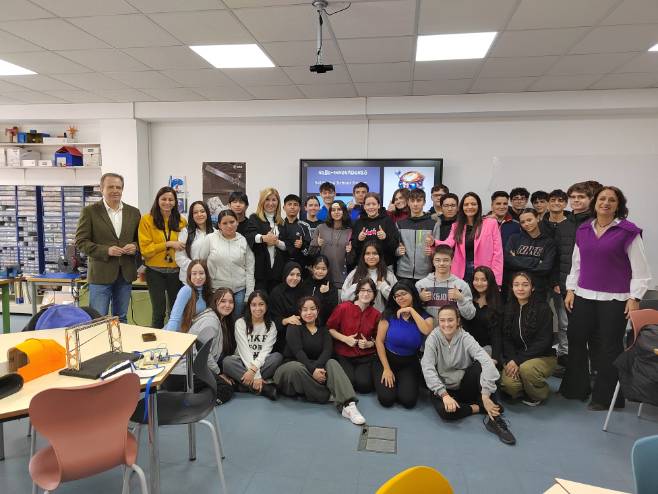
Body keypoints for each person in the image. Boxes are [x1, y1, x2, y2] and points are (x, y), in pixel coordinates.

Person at [561, 186, 651, 410]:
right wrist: (571, 289)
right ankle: (576, 388)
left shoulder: (629, 232)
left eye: (612, 200)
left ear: (618, 205)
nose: (606, 203)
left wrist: (635, 298)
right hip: (583, 295)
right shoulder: (583, 229)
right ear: (595, 202)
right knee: (576, 338)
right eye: (602, 199)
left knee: (609, 347)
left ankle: (605, 397)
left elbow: (641, 270)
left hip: (615, 299)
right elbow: (576, 264)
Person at [421, 305, 516, 445]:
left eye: (450, 320)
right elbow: (427, 368)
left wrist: (485, 394)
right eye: (442, 320)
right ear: (438, 321)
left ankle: (495, 421)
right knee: (445, 412)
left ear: (458, 321)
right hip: (444, 389)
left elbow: (487, 362)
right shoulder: (433, 338)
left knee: (481, 365)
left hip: (464, 385)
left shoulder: (465, 337)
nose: (446, 324)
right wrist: (444, 395)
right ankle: (481, 407)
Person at [274, 296, 366, 425]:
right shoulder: (294, 327)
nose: (309, 312)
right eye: (305, 309)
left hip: (313, 368)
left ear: (318, 311)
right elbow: (298, 352)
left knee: (332, 362)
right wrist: (313, 370)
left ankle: (349, 405)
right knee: (296, 367)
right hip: (291, 370)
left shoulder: (324, 330)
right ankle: (329, 395)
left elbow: (327, 352)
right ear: (300, 312)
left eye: (312, 309)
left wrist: (317, 368)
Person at [75, 172, 141, 323]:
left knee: (121, 318)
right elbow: (81, 241)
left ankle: (120, 340)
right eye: (110, 187)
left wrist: (135, 246)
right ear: (101, 189)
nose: (115, 190)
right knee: (98, 319)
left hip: (125, 274)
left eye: (118, 187)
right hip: (100, 274)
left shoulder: (133, 212)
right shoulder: (90, 212)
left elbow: (141, 240)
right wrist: (106, 250)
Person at [164, 287, 236, 405]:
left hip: (177, 373)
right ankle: (191, 404)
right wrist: (218, 374)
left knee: (217, 384)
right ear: (215, 302)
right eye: (223, 301)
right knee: (226, 389)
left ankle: (187, 395)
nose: (227, 305)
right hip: (182, 374)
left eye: (231, 302)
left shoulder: (212, 316)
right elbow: (204, 354)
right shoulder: (211, 322)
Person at [553, 182, 596, 370]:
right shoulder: (564, 225)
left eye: (581, 197)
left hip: (590, 286)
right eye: (573, 197)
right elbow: (556, 256)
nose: (576, 200)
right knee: (568, 327)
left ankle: (592, 366)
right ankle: (572, 363)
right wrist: (556, 281)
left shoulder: (596, 223)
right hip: (566, 285)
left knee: (591, 329)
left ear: (590, 199)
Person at [373, 281, 434, 408]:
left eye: (403, 293)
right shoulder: (389, 314)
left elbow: (426, 330)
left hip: (409, 362)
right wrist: (386, 369)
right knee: (387, 400)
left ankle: (400, 382)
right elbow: (379, 341)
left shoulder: (425, 316)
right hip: (387, 360)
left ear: (412, 294)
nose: (400, 298)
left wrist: (411, 310)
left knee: (408, 401)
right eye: (397, 296)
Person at [499, 272, 556, 406]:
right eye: (516, 285)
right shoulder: (508, 308)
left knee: (527, 369)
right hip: (516, 357)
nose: (520, 288)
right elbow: (506, 339)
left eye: (525, 285)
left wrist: (518, 360)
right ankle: (525, 387)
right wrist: (512, 359)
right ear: (512, 288)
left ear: (532, 288)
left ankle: (539, 394)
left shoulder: (543, 308)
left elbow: (544, 341)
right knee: (509, 386)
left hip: (543, 356)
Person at [430, 192, 503, 286]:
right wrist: (434, 242)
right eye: (466, 204)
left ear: (479, 206)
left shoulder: (491, 223)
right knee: (461, 295)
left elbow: (498, 254)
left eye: (473, 204)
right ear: (462, 207)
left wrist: (496, 280)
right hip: (462, 270)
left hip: (484, 270)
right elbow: (449, 243)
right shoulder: (456, 226)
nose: (470, 207)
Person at [139, 186, 187, 328]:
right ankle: (157, 340)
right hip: (155, 271)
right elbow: (145, 250)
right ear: (157, 200)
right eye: (164, 199)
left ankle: (175, 339)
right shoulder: (147, 220)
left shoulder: (182, 221)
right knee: (158, 312)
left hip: (176, 272)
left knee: (176, 311)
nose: (167, 202)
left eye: (171, 199)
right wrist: (168, 244)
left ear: (175, 202)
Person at [222, 290, 283, 400]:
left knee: (277, 357)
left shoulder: (271, 326)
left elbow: (265, 352)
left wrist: (253, 371)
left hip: (261, 364)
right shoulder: (240, 323)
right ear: (249, 306)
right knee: (227, 362)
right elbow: (244, 350)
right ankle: (264, 387)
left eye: (261, 304)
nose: (257, 308)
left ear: (266, 306)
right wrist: (256, 375)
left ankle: (242, 386)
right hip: (242, 362)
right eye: (254, 305)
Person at [327, 278, 380, 393]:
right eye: (362, 290)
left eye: (369, 291)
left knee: (364, 386)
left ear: (374, 294)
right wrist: (345, 339)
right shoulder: (343, 307)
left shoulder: (376, 314)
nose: (365, 294)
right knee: (349, 383)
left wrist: (369, 344)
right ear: (357, 292)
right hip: (344, 353)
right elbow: (330, 329)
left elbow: (378, 339)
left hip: (365, 355)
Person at [199, 209, 254, 315]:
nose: (229, 226)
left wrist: (249, 294)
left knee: (235, 322)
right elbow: (201, 263)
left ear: (237, 222)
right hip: (216, 290)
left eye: (232, 222)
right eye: (225, 223)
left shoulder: (243, 240)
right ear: (219, 225)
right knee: (216, 321)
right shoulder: (210, 239)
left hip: (239, 292)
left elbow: (250, 269)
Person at [504, 208, 556, 300]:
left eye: (529, 220)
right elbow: (508, 261)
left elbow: (546, 267)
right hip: (516, 289)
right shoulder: (514, 239)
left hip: (539, 288)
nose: (526, 224)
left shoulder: (549, 242)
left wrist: (518, 260)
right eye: (523, 222)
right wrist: (537, 261)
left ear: (537, 218)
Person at [415, 245, 476, 322]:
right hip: (428, 329)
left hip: (452, 329)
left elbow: (470, 315)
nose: (441, 263)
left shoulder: (462, 285)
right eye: (437, 260)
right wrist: (419, 300)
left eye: (446, 260)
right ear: (433, 262)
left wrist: (461, 299)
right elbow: (412, 314)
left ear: (452, 261)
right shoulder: (421, 285)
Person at [245, 187, 288, 293]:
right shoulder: (254, 218)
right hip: (260, 273)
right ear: (262, 201)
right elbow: (250, 236)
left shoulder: (282, 222)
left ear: (278, 202)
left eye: (274, 200)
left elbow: (287, 246)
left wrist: (276, 242)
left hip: (278, 273)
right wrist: (264, 238)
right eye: (267, 199)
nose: (270, 203)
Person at [395, 188, 440, 284]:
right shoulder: (400, 224)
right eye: (412, 201)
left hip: (425, 273)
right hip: (403, 272)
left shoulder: (433, 224)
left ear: (424, 202)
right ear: (408, 202)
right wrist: (398, 251)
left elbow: (438, 248)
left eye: (419, 200)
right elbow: (394, 247)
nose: (415, 204)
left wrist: (432, 252)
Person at [342, 241, 397, 312]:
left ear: (380, 256)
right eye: (368, 253)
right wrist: (358, 286)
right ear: (363, 256)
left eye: (375, 253)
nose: (371, 257)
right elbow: (344, 298)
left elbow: (397, 300)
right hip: (357, 315)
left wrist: (383, 286)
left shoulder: (388, 275)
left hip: (380, 316)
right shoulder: (355, 273)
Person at [309, 200, 352, 289]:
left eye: (339, 209)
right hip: (321, 278)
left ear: (344, 211)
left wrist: (350, 252)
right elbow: (311, 254)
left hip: (341, 279)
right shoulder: (320, 228)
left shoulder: (349, 231)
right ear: (330, 212)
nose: (336, 212)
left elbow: (351, 260)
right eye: (333, 210)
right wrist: (317, 244)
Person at [463, 266, 503, 361]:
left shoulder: (497, 302)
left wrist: (495, 358)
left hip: (487, 348)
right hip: (467, 347)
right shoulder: (468, 299)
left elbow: (496, 335)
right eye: (476, 279)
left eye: (483, 280)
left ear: (490, 281)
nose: (479, 283)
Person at [352, 192, 400, 267]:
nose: (371, 207)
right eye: (368, 204)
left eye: (374, 204)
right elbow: (353, 247)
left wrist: (385, 238)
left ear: (379, 205)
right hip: (364, 266)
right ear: (364, 206)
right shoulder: (358, 223)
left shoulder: (388, 221)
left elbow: (395, 246)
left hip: (385, 265)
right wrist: (359, 239)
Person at [165, 260, 212, 331]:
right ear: (189, 276)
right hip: (177, 332)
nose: (198, 277)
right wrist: (169, 336)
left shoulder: (206, 291)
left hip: (192, 332)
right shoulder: (186, 290)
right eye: (194, 274)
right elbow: (174, 318)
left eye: (201, 273)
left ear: (206, 275)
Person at [175, 201, 214, 285]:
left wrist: (205, 270)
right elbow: (179, 257)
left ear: (207, 213)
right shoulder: (185, 232)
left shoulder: (215, 232)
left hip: (208, 280)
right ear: (192, 216)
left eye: (202, 211)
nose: (199, 214)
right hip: (188, 280)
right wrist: (196, 269)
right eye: (195, 212)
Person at [269, 261, 304, 353]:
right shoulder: (276, 293)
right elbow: (271, 319)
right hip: (280, 336)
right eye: (291, 274)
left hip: (301, 334)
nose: (295, 278)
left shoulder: (303, 291)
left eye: (298, 275)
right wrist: (286, 320)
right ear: (285, 274)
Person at [299, 255, 339, 326]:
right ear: (312, 268)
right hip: (304, 324)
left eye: (323, 269)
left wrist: (326, 294)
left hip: (322, 325)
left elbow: (332, 311)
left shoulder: (331, 287)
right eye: (317, 268)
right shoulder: (304, 285)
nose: (320, 271)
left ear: (327, 270)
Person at [279, 194, 312, 268]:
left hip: (300, 266)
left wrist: (302, 246)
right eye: (289, 204)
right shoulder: (278, 225)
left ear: (299, 208)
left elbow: (309, 252)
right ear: (284, 207)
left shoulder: (305, 226)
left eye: (295, 204)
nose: (292, 207)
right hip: (281, 266)